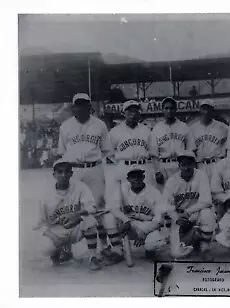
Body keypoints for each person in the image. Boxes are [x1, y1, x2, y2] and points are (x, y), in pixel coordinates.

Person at [57, 93, 113, 254]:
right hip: (73, 169)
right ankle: (66, 247)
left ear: (90, 107)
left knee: (98, 206)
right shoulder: (65, 126)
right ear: (73, 107)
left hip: (94, 168)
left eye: (85, 104)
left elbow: (107, 150)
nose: (81, 108)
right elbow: (61, 152)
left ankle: (104, 245)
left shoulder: (100, 125)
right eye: (78, 105)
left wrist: (93, 162)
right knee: (69, 205)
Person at [33, 159, 102, 271]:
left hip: (75, 227)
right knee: (45, 247)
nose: (63, 175)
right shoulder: (45, 193)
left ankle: (93, 257)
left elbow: (92, 207)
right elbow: (38, 224)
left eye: (66, 172)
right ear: (54, 174)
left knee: (90, 221)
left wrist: (76, 214)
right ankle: (57, 253)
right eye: (60, 172)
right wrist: (53, 237)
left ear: (71, 173)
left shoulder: (80, 186)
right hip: (56, 230)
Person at [102, 165, 172, 265]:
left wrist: (144, 233)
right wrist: (125, 220)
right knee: (108, 218)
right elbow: (112, 208)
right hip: (130, 225)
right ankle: (118, 250)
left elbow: (159, 219)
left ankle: (150, 250)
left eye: (139, 176)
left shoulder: (154, 192)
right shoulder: (122, 190)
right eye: (133, 177)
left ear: (143, 177)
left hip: (148, 226)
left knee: (152, 244)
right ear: (128, 179)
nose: (137, 179)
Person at [161, 151, 217, 260]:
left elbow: (207, 201)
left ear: (194, 164)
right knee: (177, 254)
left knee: (207, 214)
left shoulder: (201, 176)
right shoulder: (172, 181)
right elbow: (166, 205)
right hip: (180, 217)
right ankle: (195, 236)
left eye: (189, 164)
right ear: (179, 165)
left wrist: (188, 212)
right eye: (183, 164)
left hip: (196, 214)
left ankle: (205, 247)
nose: (186, 167)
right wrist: (176, 218)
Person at [105, 100, 155, 208]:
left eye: (135, 111)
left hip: (143, 165)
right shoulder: (115, 131)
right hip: (124, 166)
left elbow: (153, 152)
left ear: (139, 113)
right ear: (123, 113)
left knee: (146, 197)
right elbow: (108, 153)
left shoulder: (146, 131)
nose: (132, 114)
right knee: (125, 198)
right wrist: (119, 164)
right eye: (129, 111)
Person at [150, 97, 196, 190]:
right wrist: (157, 172)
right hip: (164, 166)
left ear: (175, 110)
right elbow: (153, 154)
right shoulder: (157, 128)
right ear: (162, 110)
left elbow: (190, 149)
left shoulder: (184, 127)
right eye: (166, 108)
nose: (169, 111)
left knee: (181, 193)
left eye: (171, 108)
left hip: (181, 165)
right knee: (164, 195)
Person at [190, 99, 228, 180]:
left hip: (216, 163)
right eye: (204, 109)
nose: (206, 112)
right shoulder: (192, 128)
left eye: (208, 109)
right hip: (200, 165)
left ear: (213, 111)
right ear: (200, 110)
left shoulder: (223, 127)